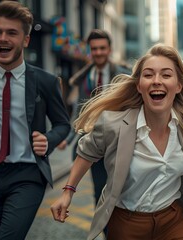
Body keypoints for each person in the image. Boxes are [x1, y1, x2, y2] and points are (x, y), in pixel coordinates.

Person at [50, 44, 183, 240]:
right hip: (127, 223)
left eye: (166, 75)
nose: (156, 81)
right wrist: (67, 192)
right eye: (148, 75)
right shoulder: (113, 124)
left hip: (173, 219)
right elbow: (86, 153)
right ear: (139, 85)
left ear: (179, 85)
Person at [0, 1, 70, 239]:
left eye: (11, 33)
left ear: (25, 40)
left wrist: (48, 140)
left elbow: (63, 124)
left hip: (27, 176)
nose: (2, 38)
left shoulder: (45, 81)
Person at [57, 29, 130, 206]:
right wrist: (67, 139)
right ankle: (107, 232)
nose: (98, 52)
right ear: (90, 50)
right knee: (100, 193)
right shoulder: (84, 78)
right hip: (94, 145)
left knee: (123, 191)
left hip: (119, 144)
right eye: (94, 48)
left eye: (102, 48)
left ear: (109, 50)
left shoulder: (123, 76)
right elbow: (79, 113)